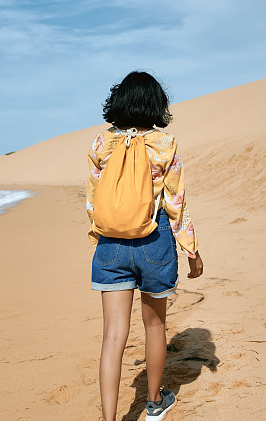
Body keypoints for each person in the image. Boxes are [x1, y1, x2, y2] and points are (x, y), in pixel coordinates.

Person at [86, 71, 203, 421]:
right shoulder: (165, 144)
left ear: (118, 101)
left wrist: (100, 241)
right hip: (155, 241)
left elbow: (92, 202)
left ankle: (108, 419)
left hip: (111, 245)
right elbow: (175, 202)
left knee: (112, 335)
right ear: (156, 104)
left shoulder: (99, 143)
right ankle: (154, 404)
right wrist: (192, 250)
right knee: (155, 326)